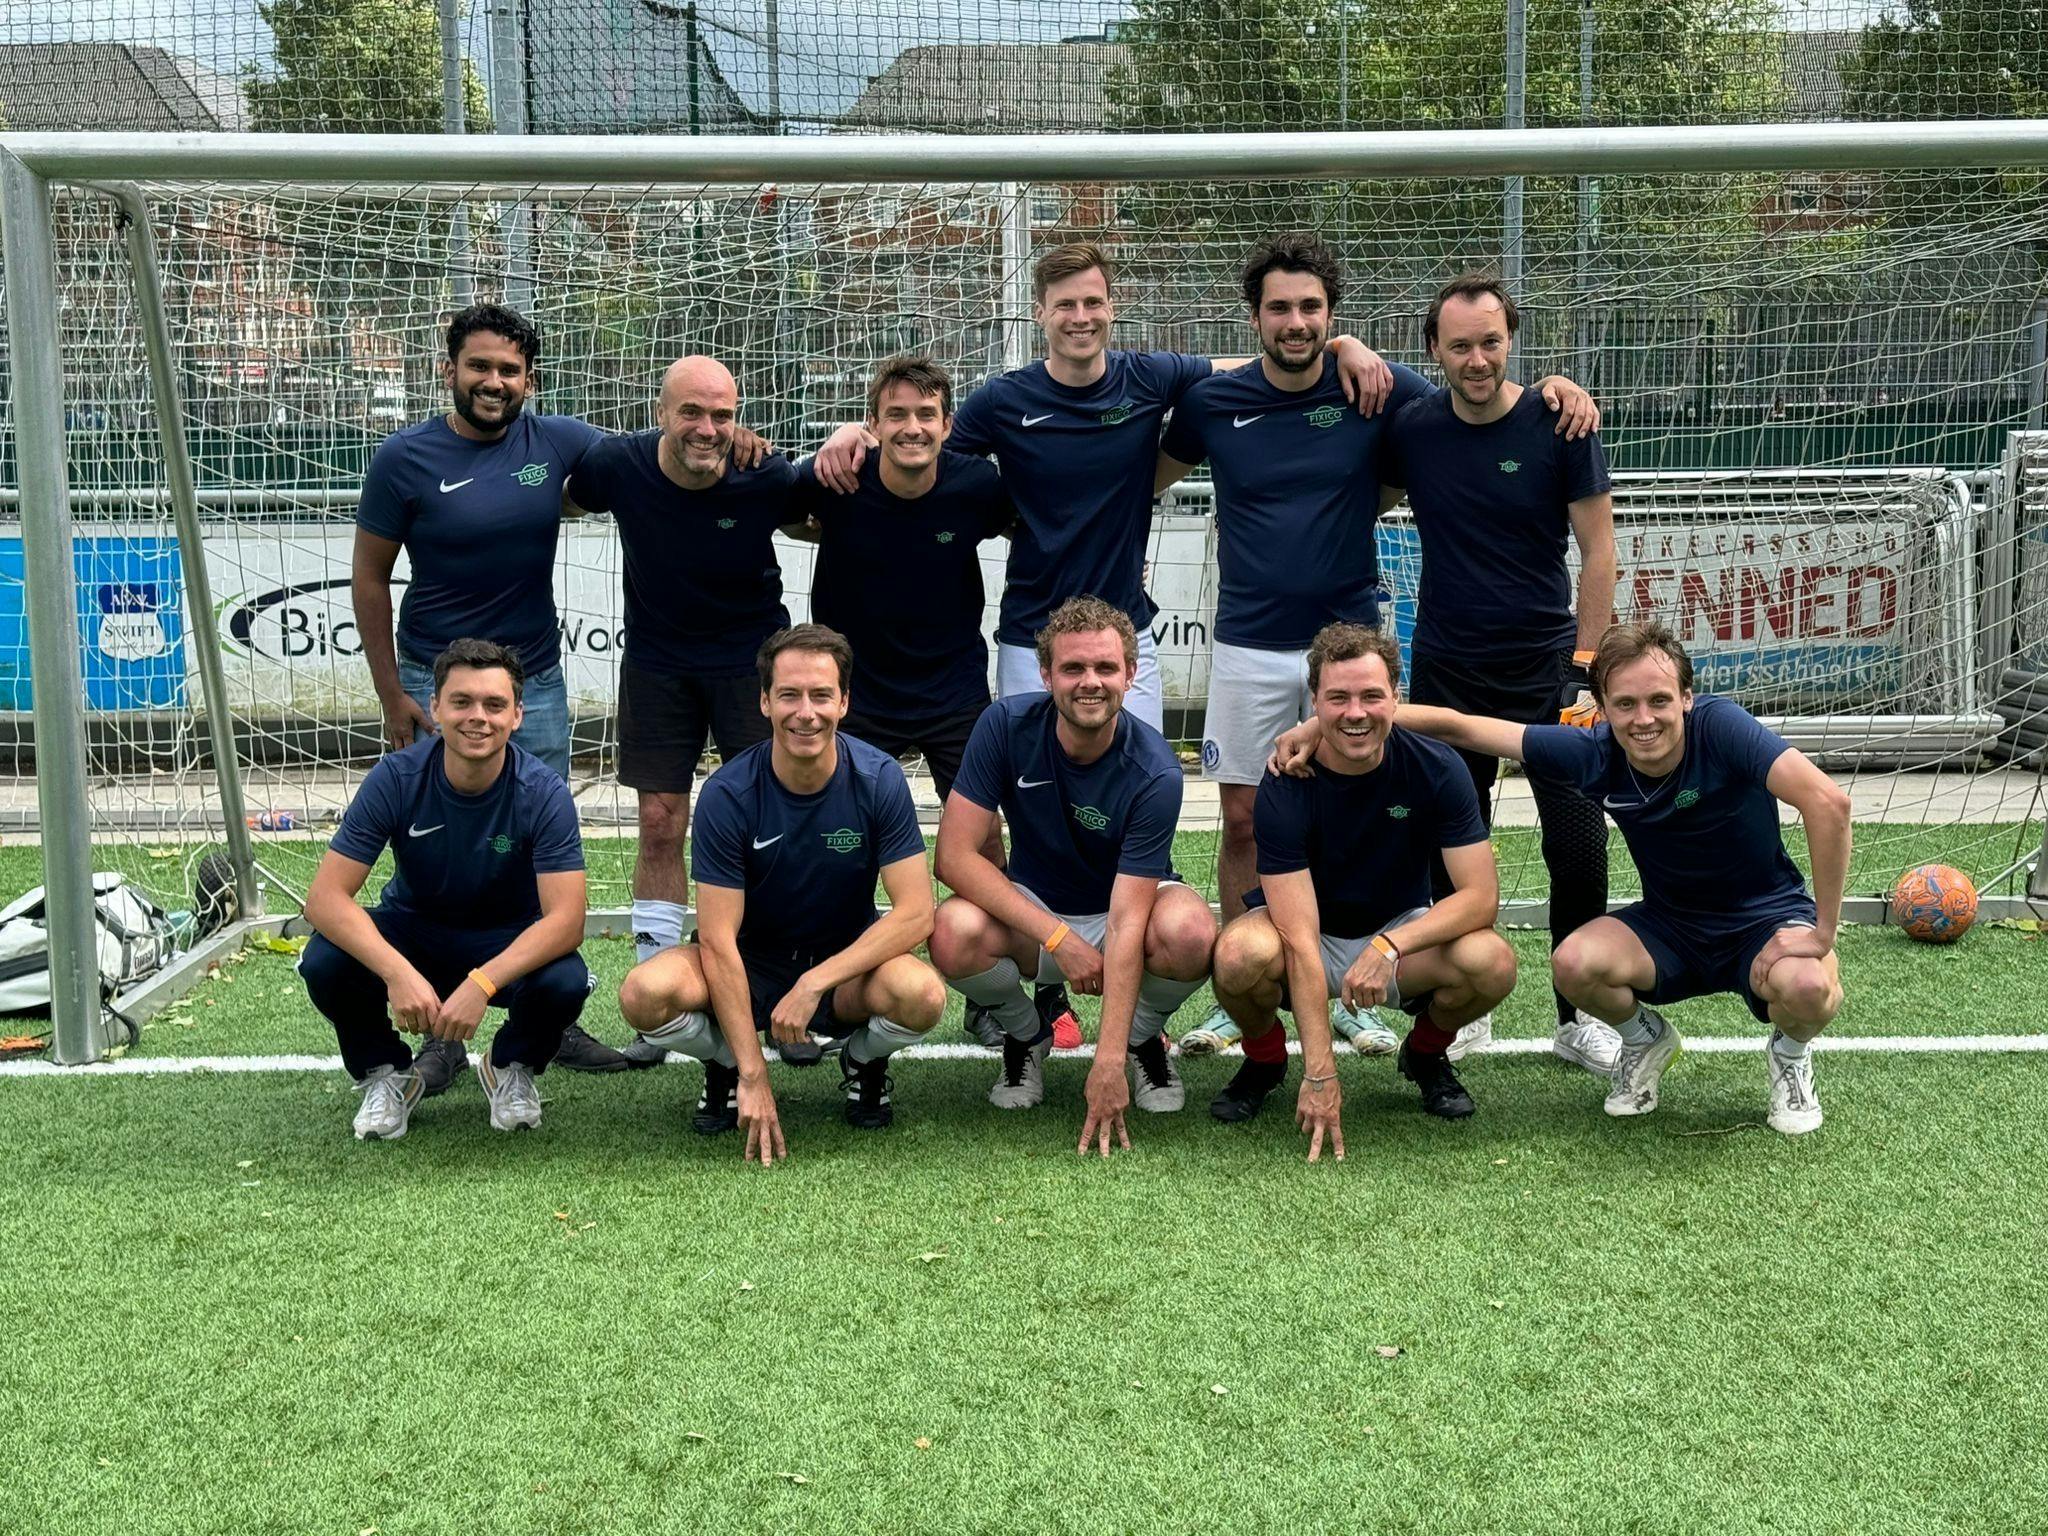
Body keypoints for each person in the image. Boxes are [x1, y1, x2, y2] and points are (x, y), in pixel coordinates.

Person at [813, 243, 1391, 1049]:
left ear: (1111, 308)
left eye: (1093, 302)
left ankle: (1141, 1015)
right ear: (1040, 314)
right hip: (1032, 640)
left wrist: (1344, 345)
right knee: (1018, 817)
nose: (1080, 317)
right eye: (1065, 305)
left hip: (1127, 640)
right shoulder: (1004, 400)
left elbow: (1257, 359)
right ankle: (1029, 994)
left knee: (1135, 807)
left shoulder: (1151, 378)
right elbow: (922, 444)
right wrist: (854, 432)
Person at [1155, 233, 1596, 1061]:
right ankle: (1244, 990)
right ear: (1254, 317)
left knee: (1359, 811)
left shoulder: (1378, 389)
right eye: (1280, 308)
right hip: (1248, 641)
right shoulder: (1214, 402)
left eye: (1312, 308)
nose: (1296, 322)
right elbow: (1146, 475)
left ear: (1332, 314)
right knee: (1243, 819)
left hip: (1351, 648)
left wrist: (1553, 390)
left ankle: (1358, 986)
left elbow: (1480, 393)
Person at [1389, 621, 1850, 1135]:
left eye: (1659, 700)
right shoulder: (1594, 753)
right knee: (1573, 963)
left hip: (1764, 921)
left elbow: (1828, 802)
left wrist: (1821, 933)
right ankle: (1645, 1039)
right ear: (1603, 709)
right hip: (1671, 927)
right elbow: (1463, 728)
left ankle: (1790, 1055)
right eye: (1626, 704)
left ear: (1687, 698)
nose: (1644, 719)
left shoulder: (1721, 728)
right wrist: (1355, 716)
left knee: (1809, 986)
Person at [1376, 272, 1621, 1074]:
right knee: (1451, 839)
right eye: (1460, 346)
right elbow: (1360, 486)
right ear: (1434, 350)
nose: (1477, 360)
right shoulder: (1413, 427)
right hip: (1448, 667)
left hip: (1548, 668)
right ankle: (1461, 997)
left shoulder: (1561, 422)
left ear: (1511, 340)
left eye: (1491, 342)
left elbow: (1599, 552)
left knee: (1578, 843)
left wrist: (1585, 666)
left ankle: (1578, 1015)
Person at [616, 625, 946, 1160]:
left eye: (821, 695)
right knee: (643, 993)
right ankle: (726, 1062)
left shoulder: (880, 778)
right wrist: (754, 1072)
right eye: (789, 695)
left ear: (844, 702)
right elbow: (718, 941)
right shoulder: (728, 793)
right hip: (750, 968)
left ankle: (862, 1059)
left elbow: (915, 914)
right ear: (765, 701)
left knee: (923, 995)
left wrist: (815, 982)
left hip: (843, 971)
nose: (805, 713)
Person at [928, 597, 1217, 1158]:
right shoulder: (1004, 725)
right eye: (1073, 668)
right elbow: (954, 858)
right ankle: (1025, 1033)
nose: (1090, 682)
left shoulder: (1155, 769)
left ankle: (1140, 1041)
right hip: (1038, 912)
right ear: (1046, 675)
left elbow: (1128, 918)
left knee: (1191, 931)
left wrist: (1106, 1061)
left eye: (1106, 668)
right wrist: (1059, 937)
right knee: (950, 930)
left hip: (1127, 912)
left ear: (1130, 675)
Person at [1210, 624, 1516, 1151]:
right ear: (1314, 703)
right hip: (1308, 935)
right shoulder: (1285, 783)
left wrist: (1389, 945)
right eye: (1338, 698)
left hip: (1397, 932)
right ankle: (1266, 1061)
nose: (1356, 713)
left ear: (1396, 697)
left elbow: (1480, 898)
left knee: (1493, 962)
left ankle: (1425, 1054)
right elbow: (1298, 938)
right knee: (1237, 955)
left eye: (1372, 696)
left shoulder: (1437, 767)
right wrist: (1321, 1073)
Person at [564, 357, 808, 995]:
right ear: (660, 414)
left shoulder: (766, 474)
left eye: (723, 415)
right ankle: (659, 982)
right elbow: (554, 496)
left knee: (769, 820)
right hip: (658, 663)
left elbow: (820, 515)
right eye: (691, 413)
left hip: (751, 663)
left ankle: (774, 973)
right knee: (659, 821)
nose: (707, 428)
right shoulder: (618, 466)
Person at [298, 639, 592, 1141]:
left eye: (494, 704)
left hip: (505, 938)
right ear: (435, 708)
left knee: (566, 979)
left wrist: (482, 983)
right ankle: (387, 1074)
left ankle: (509, 1064)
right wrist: (397, 973)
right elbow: (324, 900)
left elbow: (567, 921)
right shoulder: (396, 777)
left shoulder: (544, 792)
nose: (478, 717)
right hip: (414, 932)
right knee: (325, 959)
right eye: (462, 702)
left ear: (517, 715)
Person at [352, 304, 596, 783]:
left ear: (529, 381)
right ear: (450, 372)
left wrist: (733, 437)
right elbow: (368, 577)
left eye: (509, 370)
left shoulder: (559, 440)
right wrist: (390, 694)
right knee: (434, 823)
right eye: (479, 366)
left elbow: (648, 456)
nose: (494, 382)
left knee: (541, 820)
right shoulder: (403, 457)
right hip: (435, 682)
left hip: (534, 684)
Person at [791, 354, 1013, 808]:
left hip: (953, 690)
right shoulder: (837, 478)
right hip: (860, 692)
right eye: (897, 414)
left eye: (926, 414)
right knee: (841, 827)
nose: (913, 428)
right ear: (873, 424)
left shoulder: (977, 485)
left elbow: (1031, 527)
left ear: (947, 425)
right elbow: (780, 512)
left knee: (984, 832)